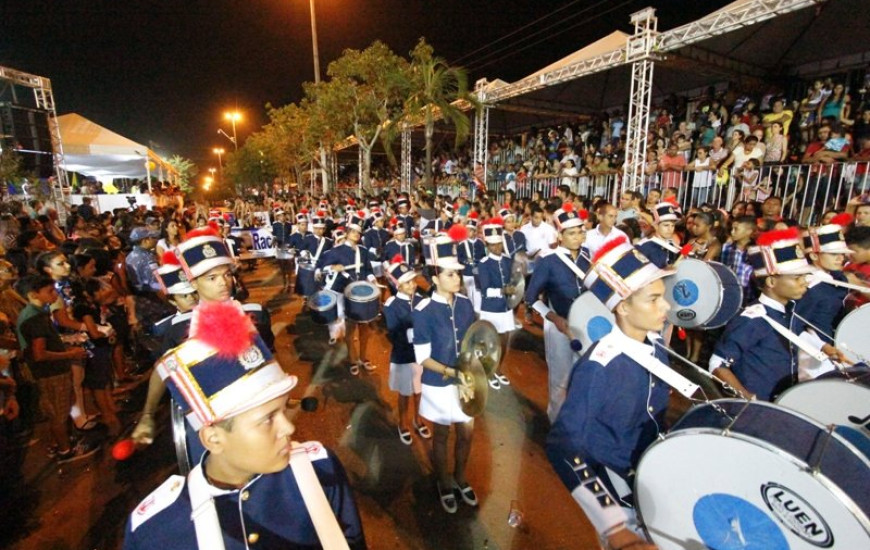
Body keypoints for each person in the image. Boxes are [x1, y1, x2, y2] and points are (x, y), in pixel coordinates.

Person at [123, 300, 366, 549]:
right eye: (268, 419)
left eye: (283, 410)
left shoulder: (321, 470)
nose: (290, 429)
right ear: (213, 438)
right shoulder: (153, 531)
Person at [547, 235, 675, 550]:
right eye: (653, 299)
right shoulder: (598, 367)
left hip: (652, 482)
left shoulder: (657, 348)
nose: (666, 305)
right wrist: (613, 525)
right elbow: (563, 444)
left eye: (663, 296)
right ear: (623, 308)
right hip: (620, 492)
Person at [709, 227, 833, 401]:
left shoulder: (789, 310)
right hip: (757, 407)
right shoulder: (752, 320)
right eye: (797, 277)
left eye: (805, 276)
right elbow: (717, 364)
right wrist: (746, 398)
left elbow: (796, 335)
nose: (805, 282)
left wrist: (824, 347)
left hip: (781, 400)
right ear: (771, 281)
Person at [412, 227, 479, 514]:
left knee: (466, 433)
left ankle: (461, 477)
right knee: (442, 435)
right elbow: (422, 357)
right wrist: (453, 373)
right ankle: (444, 481)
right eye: (450, 274)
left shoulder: (465, 304)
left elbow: (476, 339)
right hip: (439, 382)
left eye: (458, 274)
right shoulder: (424, 309)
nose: (457, 279)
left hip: (466, 380)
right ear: (435, 278)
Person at [15, 275, 95, 462]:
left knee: (59, 409)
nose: (55, 294)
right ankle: (65, 450)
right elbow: (39, 354)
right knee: (58, 413)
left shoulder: (35, 314)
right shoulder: (34, 319)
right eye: (49, 291)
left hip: (52, 371)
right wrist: (70, 354)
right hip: (50, 373)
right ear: (34, 294)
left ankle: (59, 443)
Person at [524, 203, 590, 421]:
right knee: (560, 380)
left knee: (584, 375)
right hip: (558, 326)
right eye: (571, 233)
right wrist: (554, 318)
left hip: (586, 325)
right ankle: (556, 423)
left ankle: (575, 421)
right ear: (560, 236)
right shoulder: (549, 260)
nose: (577, 236)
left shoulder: (587, 256)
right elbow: (531, 298)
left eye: (580, 231)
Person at [795, 214, 861, 379]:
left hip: (834, 351)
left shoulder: (834, 277)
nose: (841, 258)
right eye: (833, 254)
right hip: (814, 358)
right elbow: (795, 325)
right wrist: (822, 346)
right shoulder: (811, 285)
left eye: (842, 254)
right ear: (814, 256)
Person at [318, 211, 378, 374]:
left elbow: (368, 270)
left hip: (363, 293)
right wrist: (332, 267)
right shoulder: (336, 252)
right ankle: (353, 359)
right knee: (350, 330)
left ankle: (363, 357)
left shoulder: (363, 251)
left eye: (359, 232)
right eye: (353, 232)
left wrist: (373, 281)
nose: (357, 235)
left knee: (365, 330)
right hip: (347, 295)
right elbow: (320, 269)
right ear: (346, 233)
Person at [382, 257, 428, 445]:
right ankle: (403, 423)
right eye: (407, 282)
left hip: (423, 355)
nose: (413, 284)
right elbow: (394, 333)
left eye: (413, 280)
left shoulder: (422, 300)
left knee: (420, 390)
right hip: (404, 355)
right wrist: (418, 333)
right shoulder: (391, 305)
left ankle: (418, 419)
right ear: (397, 285)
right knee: (405, 392)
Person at [636, 203, 683, 269]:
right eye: (666, 225)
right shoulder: (644, 246)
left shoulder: (672, 245)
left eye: (672, 225)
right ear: (656, 226)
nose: (670, 229)